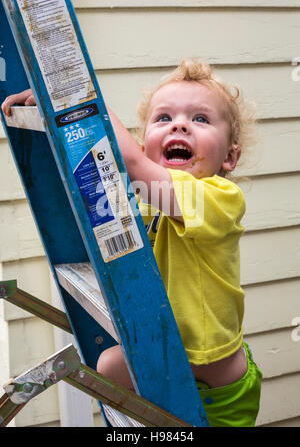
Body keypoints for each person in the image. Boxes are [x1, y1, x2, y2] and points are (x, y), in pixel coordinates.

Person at [1, 58, 262, 427]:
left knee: (109, 365)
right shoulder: (146, 196)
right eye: (163, 118)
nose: (180, 124)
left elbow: (133, 165)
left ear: (230, 158)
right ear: (147, 144)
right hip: (176, 355)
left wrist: (73, 101)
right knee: (108, 365)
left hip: (219, 384)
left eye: (200, 119)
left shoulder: (218, 197)